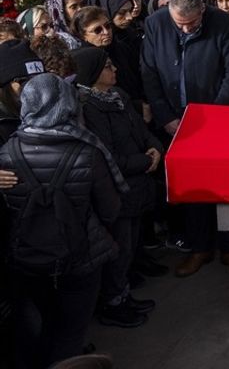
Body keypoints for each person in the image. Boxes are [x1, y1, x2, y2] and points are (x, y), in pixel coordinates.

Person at [0, 74, 125, 369]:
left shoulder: (7, 152)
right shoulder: (88, 150)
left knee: (41, 326)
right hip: (80, 258)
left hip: (26, 258)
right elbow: (110, 209)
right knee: (71, 332)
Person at [139, 0, 229, 278]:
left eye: (192, 23)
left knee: (226, 185)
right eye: (180, 24)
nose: (186, 28)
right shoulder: (156, 23)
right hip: (175, 121)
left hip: (216, 119)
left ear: (203, 11)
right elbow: (149, 73)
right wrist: (166, 118)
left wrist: (213, 116)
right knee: (194, 186)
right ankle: (200, 247)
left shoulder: (223, 24)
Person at [71, 47, 162, 328]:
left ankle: (123, 295)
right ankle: (113, 302)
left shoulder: (119, 96)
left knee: (130, 244)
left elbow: (141, 129)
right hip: (119, 188)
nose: (115, 69)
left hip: (138, 182)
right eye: (108, 66)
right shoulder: (88, 107)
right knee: (119, 249)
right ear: (93, 73)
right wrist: (143, 161)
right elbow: (106, 153)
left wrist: (155, 148)